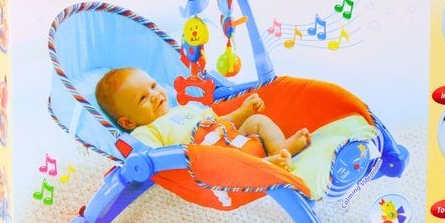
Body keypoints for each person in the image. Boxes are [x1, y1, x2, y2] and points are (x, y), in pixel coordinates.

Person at [95, 67, 310, 169]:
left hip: (231, 137)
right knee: (225, 160)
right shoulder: (146, 132)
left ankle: (280, 148)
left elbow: (222, 122)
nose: (155, 95)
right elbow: (151, 157)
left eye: (153, 86)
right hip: (212, 159)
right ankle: (265, 165)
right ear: (128, 122)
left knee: (258, 121)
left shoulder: (186, 108)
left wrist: (244, 112)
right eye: (142, 98)